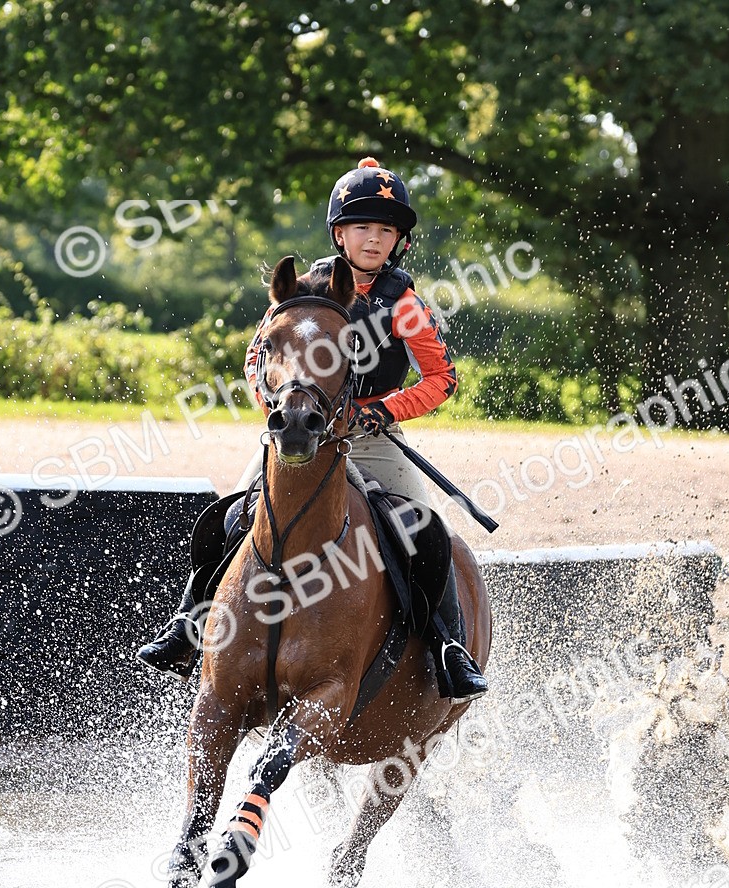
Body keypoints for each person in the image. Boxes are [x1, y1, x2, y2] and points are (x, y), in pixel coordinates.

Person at [138, 157, 488, 701]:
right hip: (299, 430)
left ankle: (449, 648)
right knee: (231, 515)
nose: (374, 239)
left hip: (371, 439)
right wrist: (278, 412)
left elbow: (442, 379)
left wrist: (382, 412)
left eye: (386, 231)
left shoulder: (405, 304)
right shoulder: (301, 292)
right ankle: (189, 622)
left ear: (399, 240)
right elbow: (258, 363)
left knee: (425, 531)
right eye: (362, 228)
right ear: (340, 233)